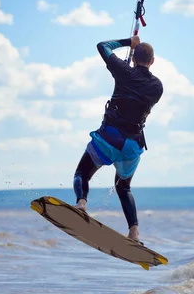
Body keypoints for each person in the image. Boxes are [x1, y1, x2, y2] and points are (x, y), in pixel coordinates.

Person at [72, 35, 163, 243]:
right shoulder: (158, 87)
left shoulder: (123, 71)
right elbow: (137, 90)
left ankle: (82, 203)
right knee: (123, 187)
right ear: (152, 61)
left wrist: (128, 42)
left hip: (109, 139)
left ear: (134, 58)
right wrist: (129, 64)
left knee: (82, 173)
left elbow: (102, 46)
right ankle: (134, 233)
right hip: (132, 147)